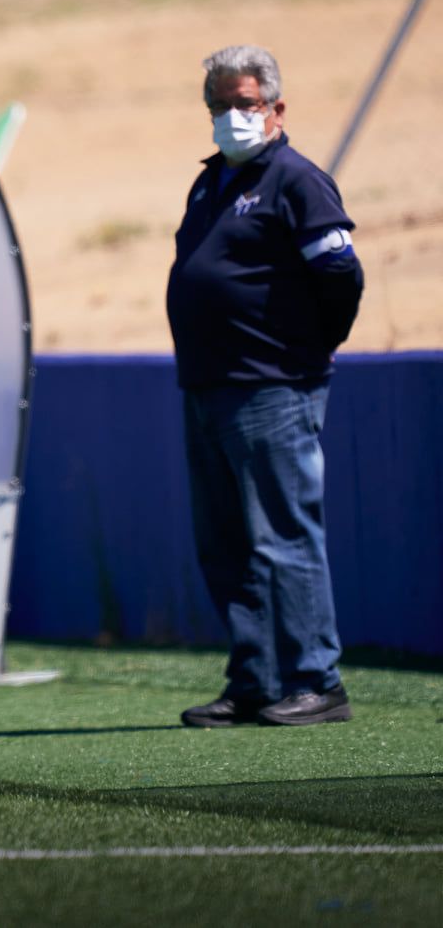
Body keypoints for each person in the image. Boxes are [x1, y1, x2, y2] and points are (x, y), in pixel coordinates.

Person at [168, 44, 363, 729]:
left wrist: (308, 350)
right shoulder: (210, 181)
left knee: (284, 535)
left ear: (276, 108)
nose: (231, 116)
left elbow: (341, 275)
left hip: (273, 387)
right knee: (225, 540)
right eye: (219, 105)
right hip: (209, 385)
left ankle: (317, 678)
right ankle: (256, 677)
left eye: (244, 103)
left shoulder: (296, 180)